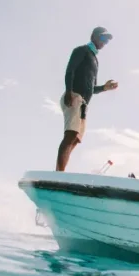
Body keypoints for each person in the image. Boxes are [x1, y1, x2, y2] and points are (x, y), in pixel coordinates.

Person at [56, 27, 118, 171]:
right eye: (103, 38)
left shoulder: (95, 60)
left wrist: (105, 88)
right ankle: (59, 172)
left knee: (75, 138)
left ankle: (61, 171)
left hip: (84, 104)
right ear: (94, 37)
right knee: (70, 134)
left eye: (107, 41)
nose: (105, 43)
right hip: (74, 96)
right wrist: (68, 92)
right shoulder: (81, 50)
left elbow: (92, 88)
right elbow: (70, 71)